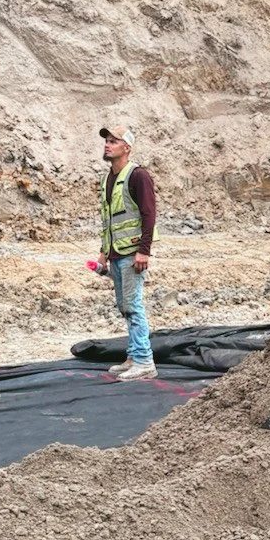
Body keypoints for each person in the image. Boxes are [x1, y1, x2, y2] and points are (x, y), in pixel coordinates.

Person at [98, 126, 157, 380]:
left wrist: (144, 251)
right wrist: (103, 253)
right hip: (116, 253)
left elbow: (149, 214)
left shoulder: (138, 176)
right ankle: (134, 355)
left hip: (133, 254)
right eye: (107, 141)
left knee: (133, 306)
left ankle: (145, 361)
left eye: (114, 141)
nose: (107, 145)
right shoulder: (108, 178)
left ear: (127, 148)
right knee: (124, 306)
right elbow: (109, 221)